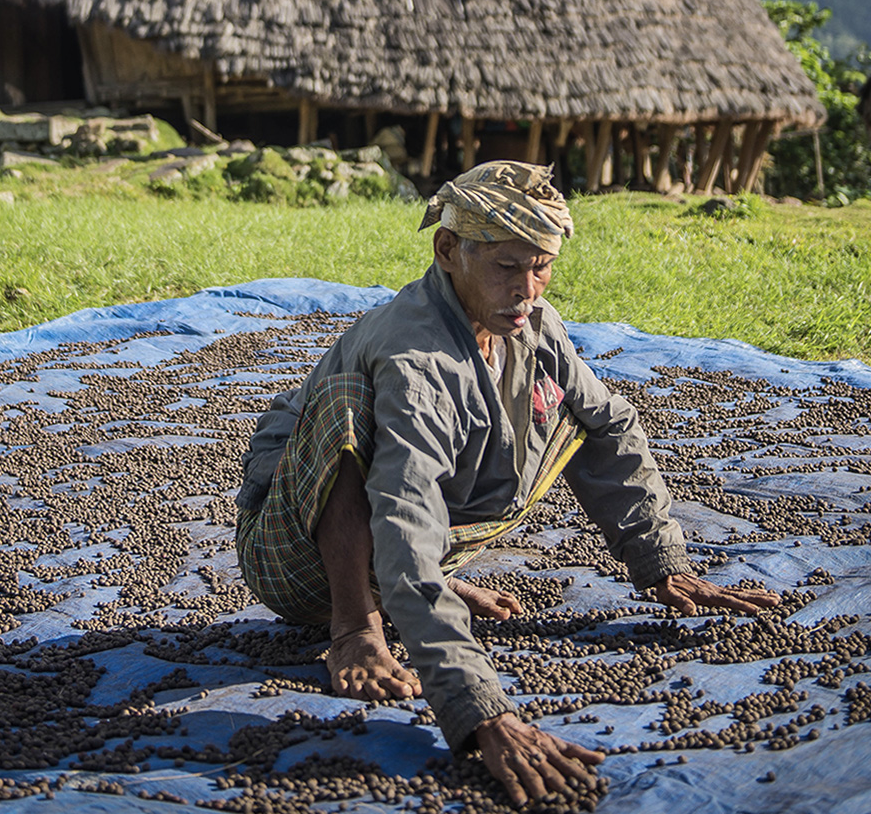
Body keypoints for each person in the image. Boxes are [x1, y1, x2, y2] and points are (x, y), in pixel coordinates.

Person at [235, 161, 779, 805]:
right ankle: (356, 626)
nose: (527, 288)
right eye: (505, 266)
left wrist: (659, 562)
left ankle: (416, 591)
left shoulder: (532, 322)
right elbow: (405, 518)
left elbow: (609, 428)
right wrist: (480, 712)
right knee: (349, 403)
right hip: (298, 557)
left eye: (541, 265)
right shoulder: (416, 361)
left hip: (415, 541)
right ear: (448, 249)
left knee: (574, 408)